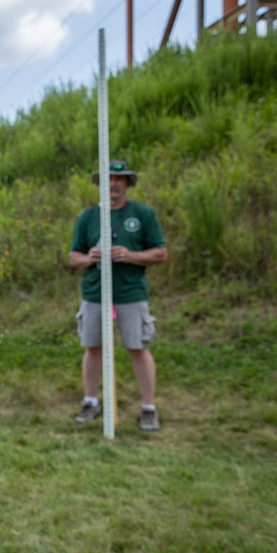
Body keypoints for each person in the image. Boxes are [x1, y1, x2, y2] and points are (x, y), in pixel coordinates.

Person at [68, 160, 167, 431]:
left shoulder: (143, 214)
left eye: (119, 179)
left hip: (130, 294)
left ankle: (148, 408)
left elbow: (160, 253)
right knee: (93, 347)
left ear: (127, 183)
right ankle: (90, 401)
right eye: (108, 178)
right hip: (95, 293)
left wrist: (131, 255)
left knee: (138, 347)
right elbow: (73, 257)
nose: (113, 183)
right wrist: (89, 258)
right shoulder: (87, 217)